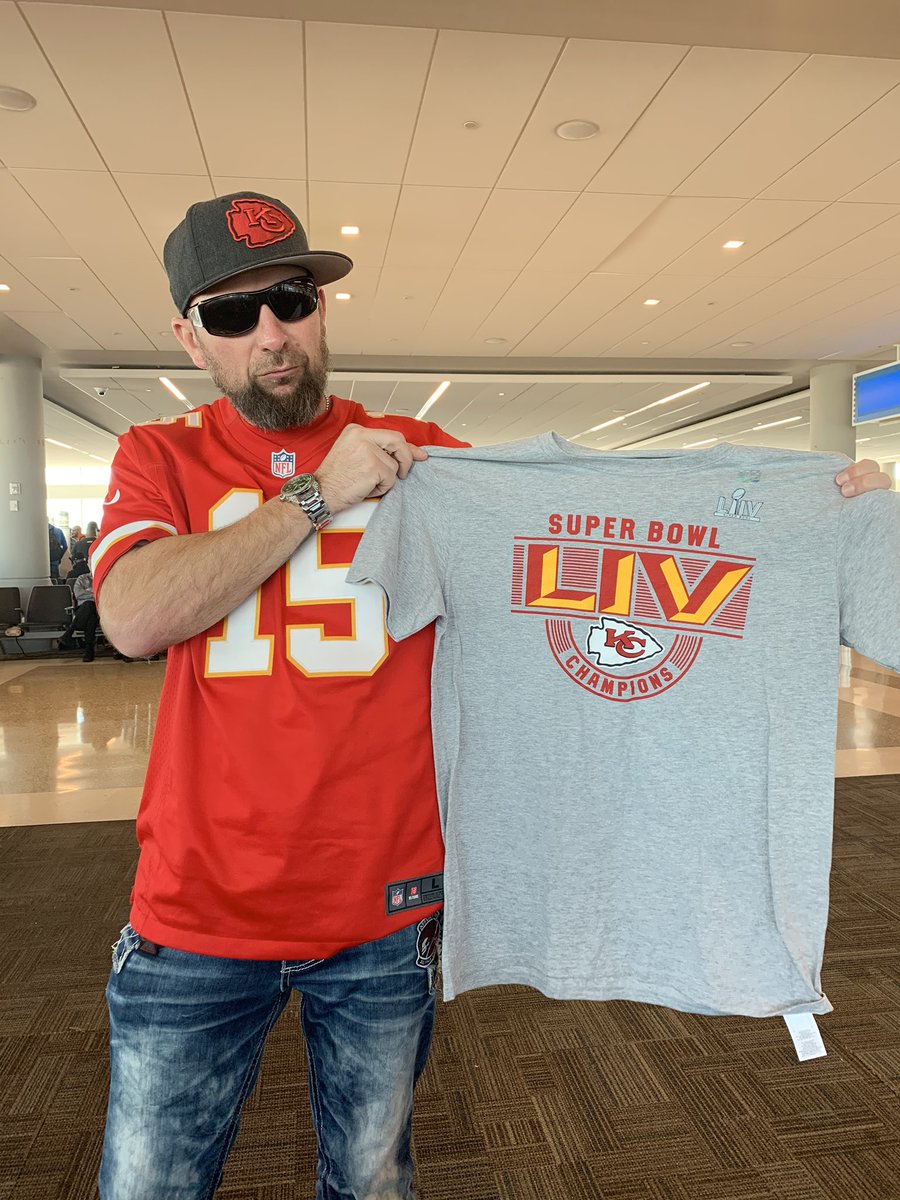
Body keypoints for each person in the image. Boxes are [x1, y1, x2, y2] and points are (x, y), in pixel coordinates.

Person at [92, 191, 891, 1200]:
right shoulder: (159, 455)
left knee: (373, 1180)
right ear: (189, 336)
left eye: (291, 300)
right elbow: (133, 617)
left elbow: (607, 536)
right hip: (197, 907)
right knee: (149, 1185)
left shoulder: (423, 460)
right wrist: (317, 493)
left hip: (387, 909)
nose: (271, 334)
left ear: (322, 309)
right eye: (232, 313)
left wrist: (814, 521)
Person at [58, 562, 100, 662]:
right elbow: (78, 594)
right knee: (89, 610)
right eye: (91, 563)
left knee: (89, 609)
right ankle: (89, 650)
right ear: (88, 565)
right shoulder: (82, 578)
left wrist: (87, 591)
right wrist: (94, 593)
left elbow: (104, 594)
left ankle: (69, 632)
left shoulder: (102, 578)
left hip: (99, 611)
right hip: (83, 611)